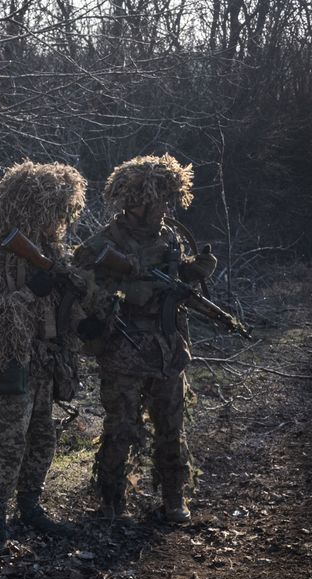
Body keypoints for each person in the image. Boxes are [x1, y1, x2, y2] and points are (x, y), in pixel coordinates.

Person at [73, 154, 215, 523]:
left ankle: (173, 497)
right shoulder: (104, 242)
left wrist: (190, 274)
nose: (165, 208)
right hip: (124, 348)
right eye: (159, 201)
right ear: (136, 202)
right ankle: (111, 500)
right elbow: (81, 289)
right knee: (122, 427)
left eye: (168, 200)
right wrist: (123, 294)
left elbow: (171, 279)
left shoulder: (168, 237)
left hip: (167, 346)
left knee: (171, 424)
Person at [0, 161, 89, 547]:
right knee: (8, 443)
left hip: (46, 361)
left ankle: (30, 505)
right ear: (32, 208)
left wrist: (81, 310)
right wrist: (33, 291)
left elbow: (67, 309)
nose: (59, 221)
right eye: (53, 212)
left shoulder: (50, 253)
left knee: (43, 438)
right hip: (10, 363)